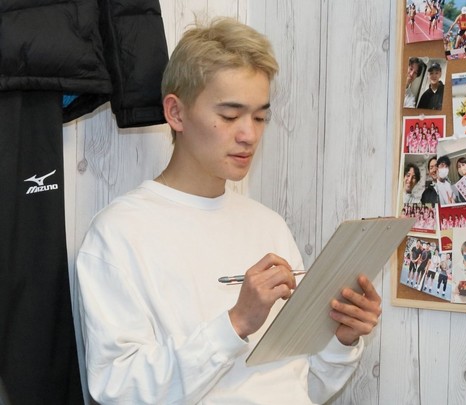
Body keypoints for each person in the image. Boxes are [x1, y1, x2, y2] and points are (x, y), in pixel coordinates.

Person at [75, 17, 382, 404]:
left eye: (260, 117)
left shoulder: (269, 225)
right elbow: (117, 390)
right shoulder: (119, 233)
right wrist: (235, 324)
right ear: (176, 113)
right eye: (230, 115)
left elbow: (302, 385)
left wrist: (342, 339)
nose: (249, 134)